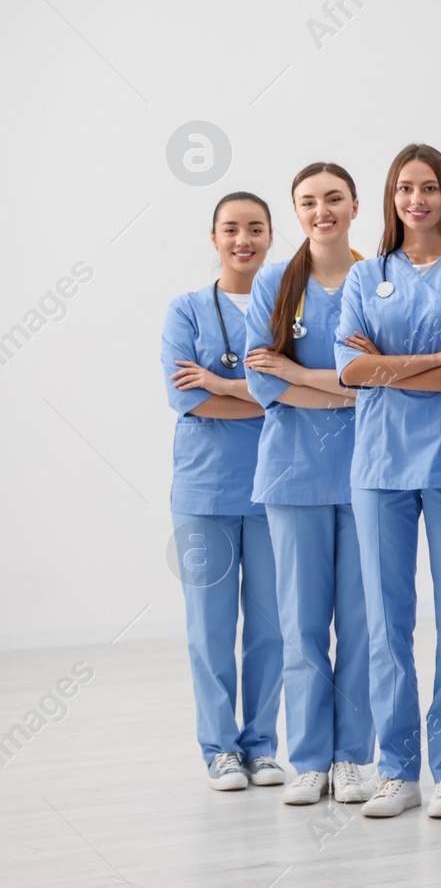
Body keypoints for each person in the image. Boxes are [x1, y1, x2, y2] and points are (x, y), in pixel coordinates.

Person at [335, 144, 441, 819]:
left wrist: (391, 363)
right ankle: (397, 768)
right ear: (390, 199)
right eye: (403, 188)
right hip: (378, 466)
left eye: (428, 188)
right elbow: (351, 370)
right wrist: (428, 361)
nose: (416, 200)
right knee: (384, 622)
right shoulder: (368, 276)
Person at [245, 162, 374, 806]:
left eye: (333, 199)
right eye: (308, 202)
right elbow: (263, 382)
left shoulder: (377, 279)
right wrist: (344, 388)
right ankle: (309, 760)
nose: (322, 211)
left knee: (360, 623)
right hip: (293, 475)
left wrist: (315, 383)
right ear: (296, 211)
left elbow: (375, 376)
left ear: (354, 205)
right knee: (300, 626)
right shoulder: (275, 281)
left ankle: (352, 757)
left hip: (367, 476)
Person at [162, 191, 285, 792]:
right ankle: (220, 750)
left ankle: (261, 746)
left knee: (271, 626)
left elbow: (298, 391)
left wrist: (224, 382)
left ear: (270, 236)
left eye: (255, 228)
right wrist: (255, 390)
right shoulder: (186, 310)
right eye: (232, 228)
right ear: (214, 238)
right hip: (205, 490)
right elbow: (187, 396)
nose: (244, 239)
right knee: (210, 628)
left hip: (274, 489)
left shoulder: (287, 307)